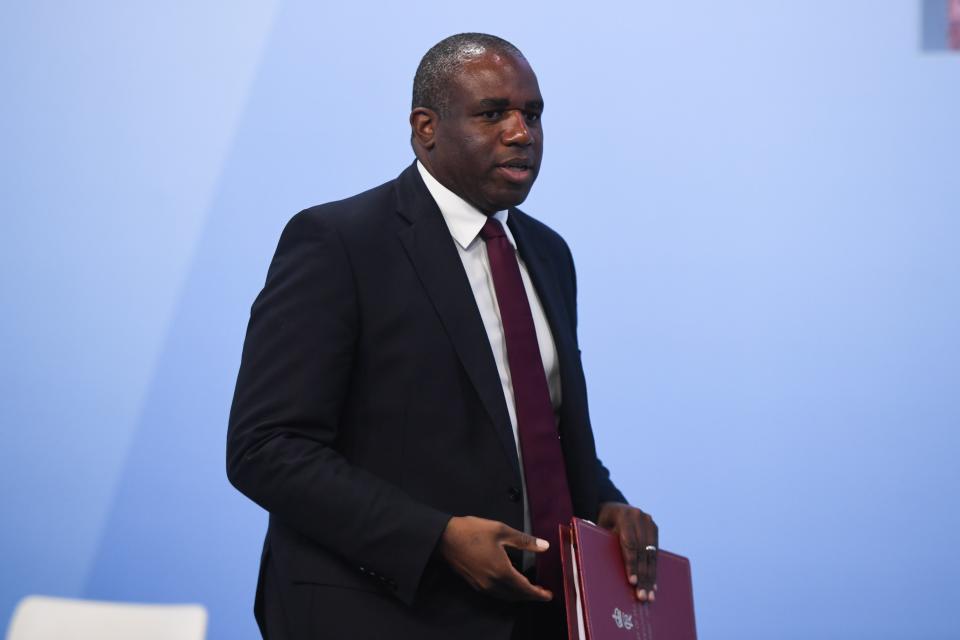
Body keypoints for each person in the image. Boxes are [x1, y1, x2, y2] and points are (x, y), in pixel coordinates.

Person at [227, 33, 658, 640]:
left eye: (532, 114)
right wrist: (437, 539)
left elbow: (535, 429)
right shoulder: (339, 243)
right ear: (425, 127)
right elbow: (266, 448)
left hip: (536, 616)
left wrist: (603, 502)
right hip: (378, 612)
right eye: (493, 114)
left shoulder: (548, 253)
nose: (522, 134)